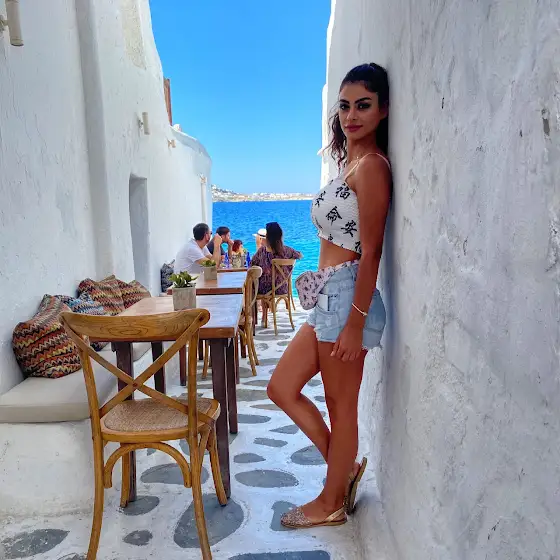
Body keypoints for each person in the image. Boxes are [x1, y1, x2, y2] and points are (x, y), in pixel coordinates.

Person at [267, 63, 391, 529]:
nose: (351, 115)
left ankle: (331, 502)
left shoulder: (373, 167)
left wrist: (356, 323)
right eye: (344, 106)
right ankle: (345, 470)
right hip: (328, 296)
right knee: (281, 387)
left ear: (382, 110)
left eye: (363, 105)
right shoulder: (349, 165)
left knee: (341, 407)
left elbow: (372, 250)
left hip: (346, 297)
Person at [250, 222, 302, 307]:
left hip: (265, 289)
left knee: (251, 283)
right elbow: (299, 255)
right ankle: (268, 310)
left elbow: (252, 263)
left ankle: (255, 313)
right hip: (282, 287)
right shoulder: (287, 250)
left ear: (268, 237)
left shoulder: (262, 251)